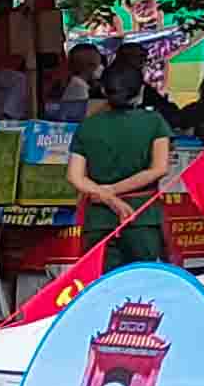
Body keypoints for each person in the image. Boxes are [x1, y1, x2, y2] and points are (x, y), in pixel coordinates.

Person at [67, 62, 174, 270]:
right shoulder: (155, 121)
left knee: (103, 287)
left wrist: (107, 195)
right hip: (142, 216)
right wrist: (113, 194)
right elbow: (159, 168)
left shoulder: (88, 125)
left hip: (98, 219)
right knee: (142, 287)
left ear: (104, 90)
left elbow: (74, 176)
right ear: (141, 90)